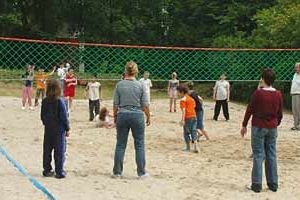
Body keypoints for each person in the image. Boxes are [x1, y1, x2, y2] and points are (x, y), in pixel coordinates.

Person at [240, 69, 283, 193]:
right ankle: (273, 184)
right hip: (272, 127)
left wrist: (244, 125)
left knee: (258, 155)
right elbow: (280, 113)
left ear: (263, 79)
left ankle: (257, 184)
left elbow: (250, 109)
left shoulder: (258, 93)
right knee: (271, 154)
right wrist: (275, 123)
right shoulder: (278, 94)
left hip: (259, 126)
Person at [112, 61, 151, 178]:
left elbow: (115, 104)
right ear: (136, 71)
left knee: (120, 145)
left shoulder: (119, 85)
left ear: (125, 71)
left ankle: (117, 172)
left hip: (123, 114)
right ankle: (141, 172)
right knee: (139, 145)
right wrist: (148, 116)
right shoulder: (141, 85)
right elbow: (145, 104)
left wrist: (115, 116)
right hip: (137, 115)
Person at [41, 79, 70, 179]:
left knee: (47, 150)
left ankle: (47, 169)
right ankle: (59, 171)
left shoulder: (45, 101)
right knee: (59, 150)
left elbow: (42, 116)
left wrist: (46, 123)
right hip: (59, 129)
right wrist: (67, 128)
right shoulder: (60, 101)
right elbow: (64, 116)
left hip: (48, 128)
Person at [177, 84, 199, 153]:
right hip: (194, 116)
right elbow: (194, 106)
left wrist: (183, 120)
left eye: (178, 92)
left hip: (187, 118)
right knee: (193, 131)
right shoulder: (191, 99)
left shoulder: (183, 100)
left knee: (186, 133)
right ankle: (195, 145)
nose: (177, 94)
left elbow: (184, 110)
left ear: (182, 92)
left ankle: (188, 147)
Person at [290, 62, 300, 131]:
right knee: (295, 111)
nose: (295, 68)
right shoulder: (295, 75)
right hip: (294, 94)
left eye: (296, 67)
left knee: (299, 110)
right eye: (295, 67)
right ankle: (296, 125)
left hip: (299, 94)